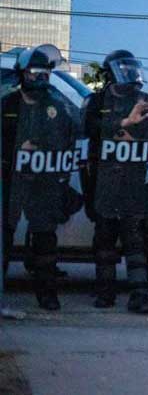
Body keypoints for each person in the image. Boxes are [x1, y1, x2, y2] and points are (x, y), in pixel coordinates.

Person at [2, 46, 82, 311]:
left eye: (46, 73)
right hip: (10, 183)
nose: (41, 78)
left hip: (43, 183)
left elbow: (75, 134)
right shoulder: (7, 104)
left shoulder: (58, 107)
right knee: (4, 237)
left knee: (45, 240)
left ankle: (47, 294)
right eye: (35, 72)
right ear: (22, 73)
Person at [82, 50, 148, 314]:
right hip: (103, 181)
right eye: (122, 68)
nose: (127, 74)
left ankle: (140, 295)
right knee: (104, 242)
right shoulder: (96, 100)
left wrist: (129, 135)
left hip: (134, 183)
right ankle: (105, 293)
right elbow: (89, 128)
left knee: (135, 243)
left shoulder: (143, 99)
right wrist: (123, 125)